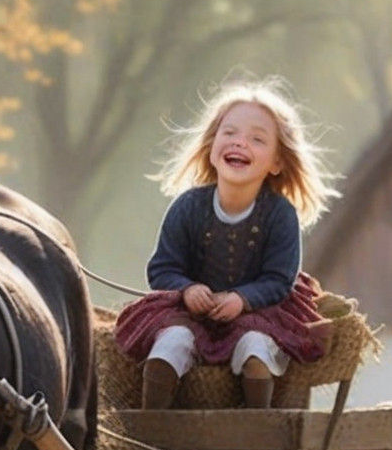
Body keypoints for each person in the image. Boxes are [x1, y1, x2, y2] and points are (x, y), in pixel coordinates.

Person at [114, 78, 338, 409]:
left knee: (256, 347)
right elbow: (163, 267)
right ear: (212, 145)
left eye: (257, 139)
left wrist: (243, 299)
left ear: (276, 162)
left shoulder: (280, 214)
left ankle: (254, 431)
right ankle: (151, 431)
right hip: (190, 311)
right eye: (229, 133)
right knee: (169, 343)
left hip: (261, 311)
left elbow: (280, 280)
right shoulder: (187, 206)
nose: (239, 143)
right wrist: (187, 290)